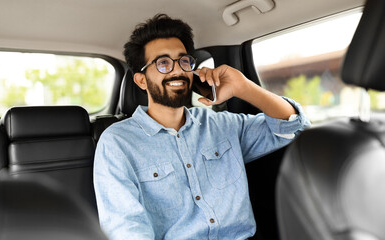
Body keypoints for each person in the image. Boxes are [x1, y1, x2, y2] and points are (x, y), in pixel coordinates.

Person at [94, 14, 310, 240]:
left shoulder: (221, 124)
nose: (177, 71)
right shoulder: (117, 143)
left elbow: (294, 128)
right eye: (163, 63)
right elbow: (127, 230)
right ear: (141, 80)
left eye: (183, 61)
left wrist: (242, 87)